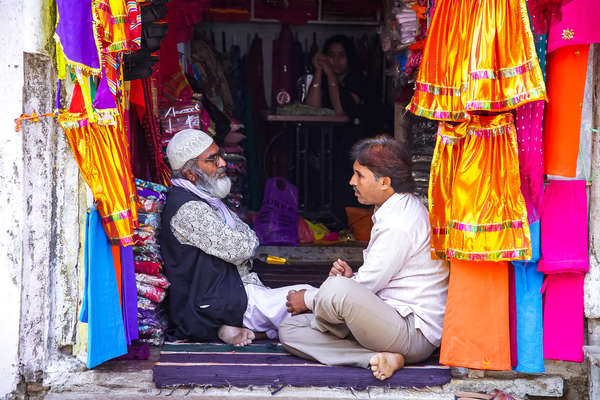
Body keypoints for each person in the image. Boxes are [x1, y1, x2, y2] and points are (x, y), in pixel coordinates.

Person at [279, 136, 449, 380]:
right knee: (290, 330)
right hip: (385, 324)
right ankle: (375, 358)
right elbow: (374, 281)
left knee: (336, 289)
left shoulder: (400, 222)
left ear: (385, 182)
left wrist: (308, 299)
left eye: (359, 175)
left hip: (410, 332)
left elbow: (365, 286)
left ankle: (390, 351)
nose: (352, 182)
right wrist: (350, 282)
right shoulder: (393, 209)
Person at [160, 128, 312, 346]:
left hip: (228, 294)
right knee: (313, 300)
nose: (222, 163)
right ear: (190, 173)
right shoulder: (188, 208)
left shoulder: (206, 199)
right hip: (216, 301)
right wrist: (247, 240)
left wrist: (246, 239)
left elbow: (247, 236)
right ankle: (223, 328)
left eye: (219, 155)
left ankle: (234, 331)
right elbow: (241, 248)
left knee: (310, 305)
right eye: (212, 159)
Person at [304, 34, 366, 121]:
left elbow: (340, 111)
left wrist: (330, 74)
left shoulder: (358, 79)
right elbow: (312, 110)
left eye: (342, 55)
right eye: (331, 55)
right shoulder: (324, 80)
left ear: (349, 57)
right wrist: (319, 69)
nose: (336, 60)